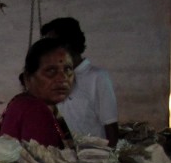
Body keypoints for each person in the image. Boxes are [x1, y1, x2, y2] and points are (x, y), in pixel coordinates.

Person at [39, 17, 119, 146]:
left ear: (68, 45)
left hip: (97, 158)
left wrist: (110, 162)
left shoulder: (97, 77)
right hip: (70, 158)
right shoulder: (56, 80)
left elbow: (111, 126)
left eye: (52, 46)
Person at [0, 37, 75, 148]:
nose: (63, 78)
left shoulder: (22, 102)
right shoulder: (35, 110)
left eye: (68, 69)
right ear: (28, 78)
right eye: (51, 71)